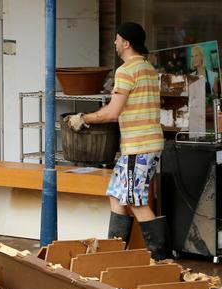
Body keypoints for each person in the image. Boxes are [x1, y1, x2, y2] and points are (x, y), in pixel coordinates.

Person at [65, 22, 167, 260]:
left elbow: (112, 112)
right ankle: (115, 255)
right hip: (144, 145)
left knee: (136, 201)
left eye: (117, 39)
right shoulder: (148, 68)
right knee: (116, 193)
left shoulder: (126, 71)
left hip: (138, 147)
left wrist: (83, 118)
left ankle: (162, 260)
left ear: (126, 43)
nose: (114, 43)